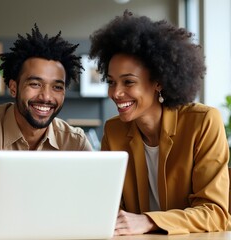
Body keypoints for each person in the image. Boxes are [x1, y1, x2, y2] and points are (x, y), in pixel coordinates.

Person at [89, 10, 230, 235]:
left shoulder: (203, 122)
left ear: (158, 82)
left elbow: (215, 212)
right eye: (111, 82)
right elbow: (111, 210)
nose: (116, 93)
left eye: (128, 82)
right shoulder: (114, 131)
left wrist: (148, 221)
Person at [0, 24, 93, 201]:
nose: (46, 97)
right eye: (35, 84)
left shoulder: (75, 141)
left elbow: (95, 199)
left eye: (57, 87)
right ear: (13, 88)